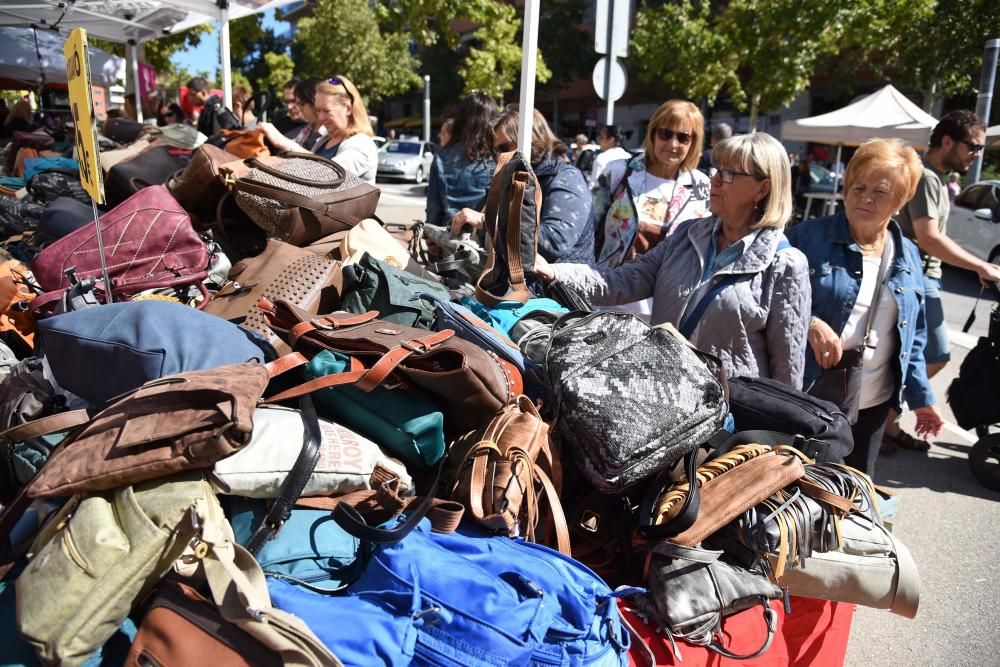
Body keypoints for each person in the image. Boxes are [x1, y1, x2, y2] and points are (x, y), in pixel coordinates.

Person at [535, 132, 810, 387]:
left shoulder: (785, 264)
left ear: (762, 189)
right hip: (666, 400)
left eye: (728, 174)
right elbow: (621, 280)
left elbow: (787, 377)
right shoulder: (687, 235)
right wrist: (554, 271)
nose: (714, 179)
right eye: (715, 169)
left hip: (731, 420)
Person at [786, 138, 944, 477]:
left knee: (853, 500)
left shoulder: (909, 257)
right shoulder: (805, 238)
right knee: (794, 500)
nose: (865, 198)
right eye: (858, 187)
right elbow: (769, 303)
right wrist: (810, 322)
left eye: (880, 192)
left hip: (872, 406)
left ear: (901, 201)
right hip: (808, 398)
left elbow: (913, 338)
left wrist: (921, 397)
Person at [884, 110, 1000, 453]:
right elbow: (929, 237)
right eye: (973, 146)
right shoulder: (927, 177)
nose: (976, 154)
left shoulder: (934, 177)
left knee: (915, 355)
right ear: (946, 141)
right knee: (931, 354)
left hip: (919, 277)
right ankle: (882, 420)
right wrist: (983, 266)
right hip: (916, 277)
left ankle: (884, 420)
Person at [450, 108, 594, 263]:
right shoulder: (509, 177)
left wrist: (486, 222)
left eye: (504, 148)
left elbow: (554, 242)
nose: (499, 156)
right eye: (494, 150)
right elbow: (477, 223)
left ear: (531, 140)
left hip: (549, 284)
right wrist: (449, 240)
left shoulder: (566, 178)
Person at [259, 76, 378, 184]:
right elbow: (309, 165)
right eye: (318, 110)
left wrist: (281, 142)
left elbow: (329, 175)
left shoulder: (361, 144)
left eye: (327, 111)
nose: (321, 117)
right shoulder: (325, 140)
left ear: (347, 109)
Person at [425, 92, 497, 229]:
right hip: (485, 239)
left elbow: (434, 208)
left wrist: (431, 233)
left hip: (449, 237)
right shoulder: (495, 158)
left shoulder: (442, 155)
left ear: (461, 119)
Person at [588, 124, 632, 190]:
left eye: (602, 137)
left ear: (611, 139)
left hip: (606, 199)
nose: (599, 140)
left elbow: (593, 186)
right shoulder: (629, 156)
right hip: (627, 199)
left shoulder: (602, 158)